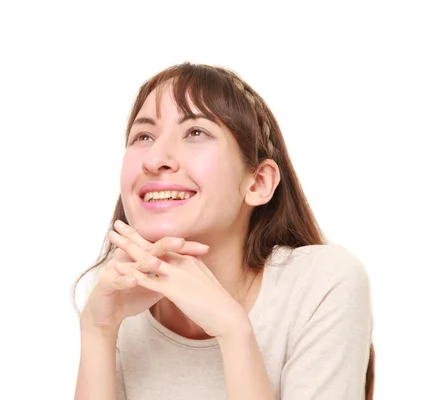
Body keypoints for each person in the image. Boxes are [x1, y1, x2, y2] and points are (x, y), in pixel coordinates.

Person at [72, 62, 375, 400]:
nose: (155, 158)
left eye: (195, 132)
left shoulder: (322, 283)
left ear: (258, 183)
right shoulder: (117, 293)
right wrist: (98, 329)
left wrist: (233, 331)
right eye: (143, 136)